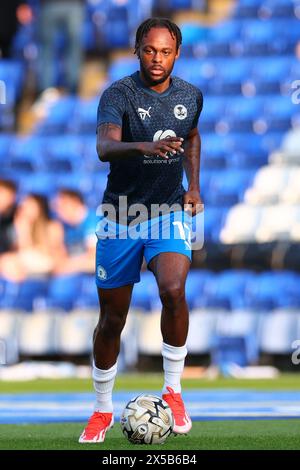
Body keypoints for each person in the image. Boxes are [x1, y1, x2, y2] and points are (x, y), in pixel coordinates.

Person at [79, 17, 203, 443]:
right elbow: (104, 147)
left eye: (165, 51)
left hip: (168, 211)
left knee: (173, 289)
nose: (157, 58)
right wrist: (144, 146)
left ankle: (173, 389)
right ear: (137, 50)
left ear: (177, 53)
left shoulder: (190, 95)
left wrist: (195, 186)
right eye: (150, 50)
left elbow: (192, 136)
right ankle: (101, 410)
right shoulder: (119, 94)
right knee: (113, 319)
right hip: (121, 214)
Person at [0, 193, 65, 281]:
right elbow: (22, 249)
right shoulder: (21, 226)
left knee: (7, 261)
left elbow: (49, 252)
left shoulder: (53, 226)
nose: (25, 209)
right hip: (27, 266)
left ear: (39, 207)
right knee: (7, 261)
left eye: (30, 206)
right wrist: (22, 230)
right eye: (24, 207)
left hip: (49, 264)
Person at [53, 188, 97, 274]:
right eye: (57, 208)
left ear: (75, 201)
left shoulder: (93, 220)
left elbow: (94, 258)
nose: (58, 212)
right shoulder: (64, 226)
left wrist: (70, 265)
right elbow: (59, 257)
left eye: (62, 206)